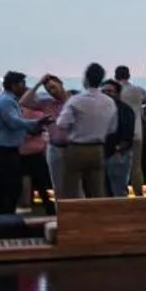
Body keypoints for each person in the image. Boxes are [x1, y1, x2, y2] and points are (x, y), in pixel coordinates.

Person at [0, 72, 46, 217]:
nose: (24, 87)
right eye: (21, 84)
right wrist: (35, 123)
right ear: (13, 85)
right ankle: (5, 218)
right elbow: (13, 122)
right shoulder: (6, 101)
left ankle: (5, 216)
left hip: (7, 149)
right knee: (9, 187)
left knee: (10, 187)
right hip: (4, 150)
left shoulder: (8, 100)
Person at [54, 63, 118, 198]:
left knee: (70, 189)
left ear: (86, 79)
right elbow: (112, 128)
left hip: (76, 148)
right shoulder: (109, 102)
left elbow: (61, 123)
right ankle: (96, 217)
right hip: (98, 149)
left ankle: (74, 217)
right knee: (97, 190)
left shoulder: (76, 100)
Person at [22, 75, 66, 210]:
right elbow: (24, 102)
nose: (52, 91)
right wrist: (38, 84)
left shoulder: (74, 100)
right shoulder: (47, 103)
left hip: (73, 147)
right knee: (58, 186)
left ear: (60, 84)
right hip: (55, 147)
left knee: (74, 184)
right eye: (48, 89)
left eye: (53, 87)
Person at [114, 66, 146, 195]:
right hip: (137, 132)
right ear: (128, 75)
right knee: (136, 167)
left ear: (116, 76)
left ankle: (121, 194)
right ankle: (139, 194)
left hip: (121, 134)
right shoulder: (138, 91)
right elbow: (145, 102)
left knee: (119, 167)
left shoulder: (116, 91)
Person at [102, 80, 137, 197]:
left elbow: (128, 135)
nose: (106, 94)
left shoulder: (125, 110)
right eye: (104, 91)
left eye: (110, 91)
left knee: (119, 191)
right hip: (102, 155)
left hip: (118, 155)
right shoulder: (99, 110)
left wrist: (118, 150)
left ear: (117, 93)